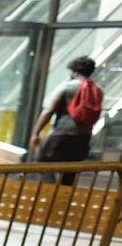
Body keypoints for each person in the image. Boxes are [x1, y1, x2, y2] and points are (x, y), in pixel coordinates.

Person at [29, 55, 101, 187]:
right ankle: (64, 200)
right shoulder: (97, 90)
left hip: (62, 134)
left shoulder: (67, 87)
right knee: (70, 172)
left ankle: (50, 193)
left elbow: (49, 111)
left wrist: (35, 133)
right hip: (84, 138)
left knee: (41, 163)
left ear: (74, 71)